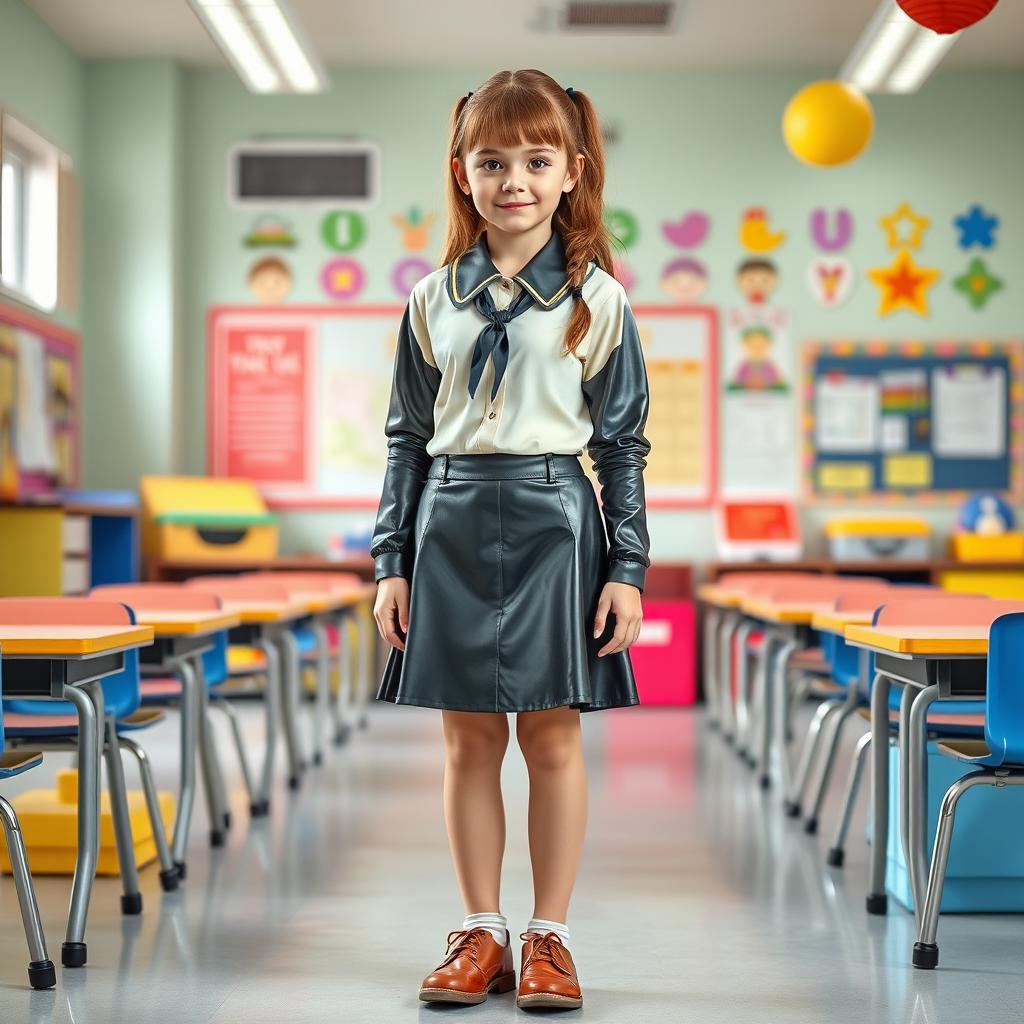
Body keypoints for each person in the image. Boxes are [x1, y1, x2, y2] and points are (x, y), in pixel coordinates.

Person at [370, 69, 652, 1011]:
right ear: (462, 173)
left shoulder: (598, 301)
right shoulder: (428, 300)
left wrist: (628, 569)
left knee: (554, 741)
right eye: (493, 162)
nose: (514, 180)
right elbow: (407, 439)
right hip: (447, 518)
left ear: (573, 171)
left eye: (536, 160)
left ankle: (551, 939)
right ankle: (480, 930)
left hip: (555, 521)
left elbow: (621, 447)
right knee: (467, 744)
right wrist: (390, 562)